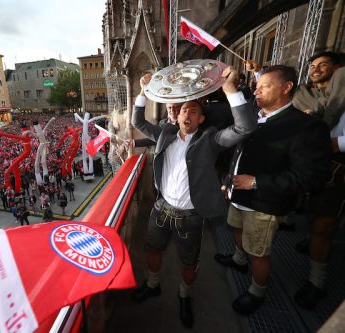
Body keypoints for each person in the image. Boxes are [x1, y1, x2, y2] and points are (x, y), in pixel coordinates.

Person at [130, 68, 257, 328]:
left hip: (190, 216)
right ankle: (153, 284)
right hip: (161, 209)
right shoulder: (165, 133)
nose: (187, 113)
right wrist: (143, 92)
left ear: (201, 120)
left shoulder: (211, 139)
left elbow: (245, 127)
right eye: (184, 110)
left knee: (188, 262)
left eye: (194, 111)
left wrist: (230, 89)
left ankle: (184, 295)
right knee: (152, 250)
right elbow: (138, 123)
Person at [214, 65, 331, 315]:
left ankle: (257, 291)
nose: (257, 91)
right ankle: (237, 259)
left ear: (287, 88)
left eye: (265, 86)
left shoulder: (307, 127)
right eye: (257, 86)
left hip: (263, 203)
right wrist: (228, 180)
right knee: (236, 229)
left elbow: (310, 178)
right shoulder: (252, 117)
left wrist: (256, 182)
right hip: (237, 196)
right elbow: (237, 153)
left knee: (258, 253)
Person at [291, 51, 345, 309]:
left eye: (323, 64)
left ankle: (317, 283)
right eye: (312, 65)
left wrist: (337, 143)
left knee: (324, 226)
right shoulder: (312, 96)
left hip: (340, 167)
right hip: (320, 165)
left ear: (338, 68)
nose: (316, 69)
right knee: (316, 219)